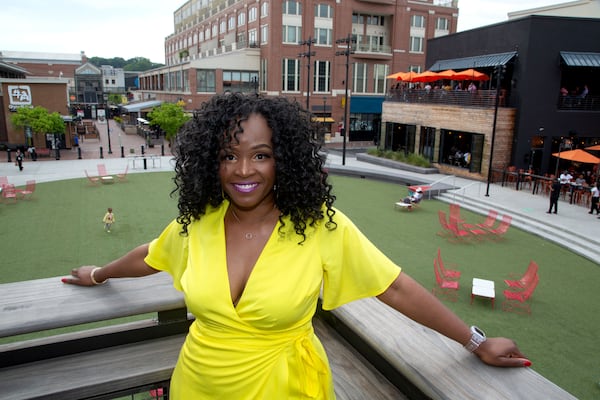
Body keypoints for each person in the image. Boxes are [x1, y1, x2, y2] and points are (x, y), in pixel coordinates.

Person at [62, 93, 530, 399]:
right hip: (198, 384)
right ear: (212, 162)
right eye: (229, 155)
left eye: (260, 155)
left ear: (283, 159)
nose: (244, 170)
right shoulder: (198, 225)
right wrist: (98, 274)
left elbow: (395, 288)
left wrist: (475, 341)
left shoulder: (320, 227)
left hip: (285, 387)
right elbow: (150, 254)